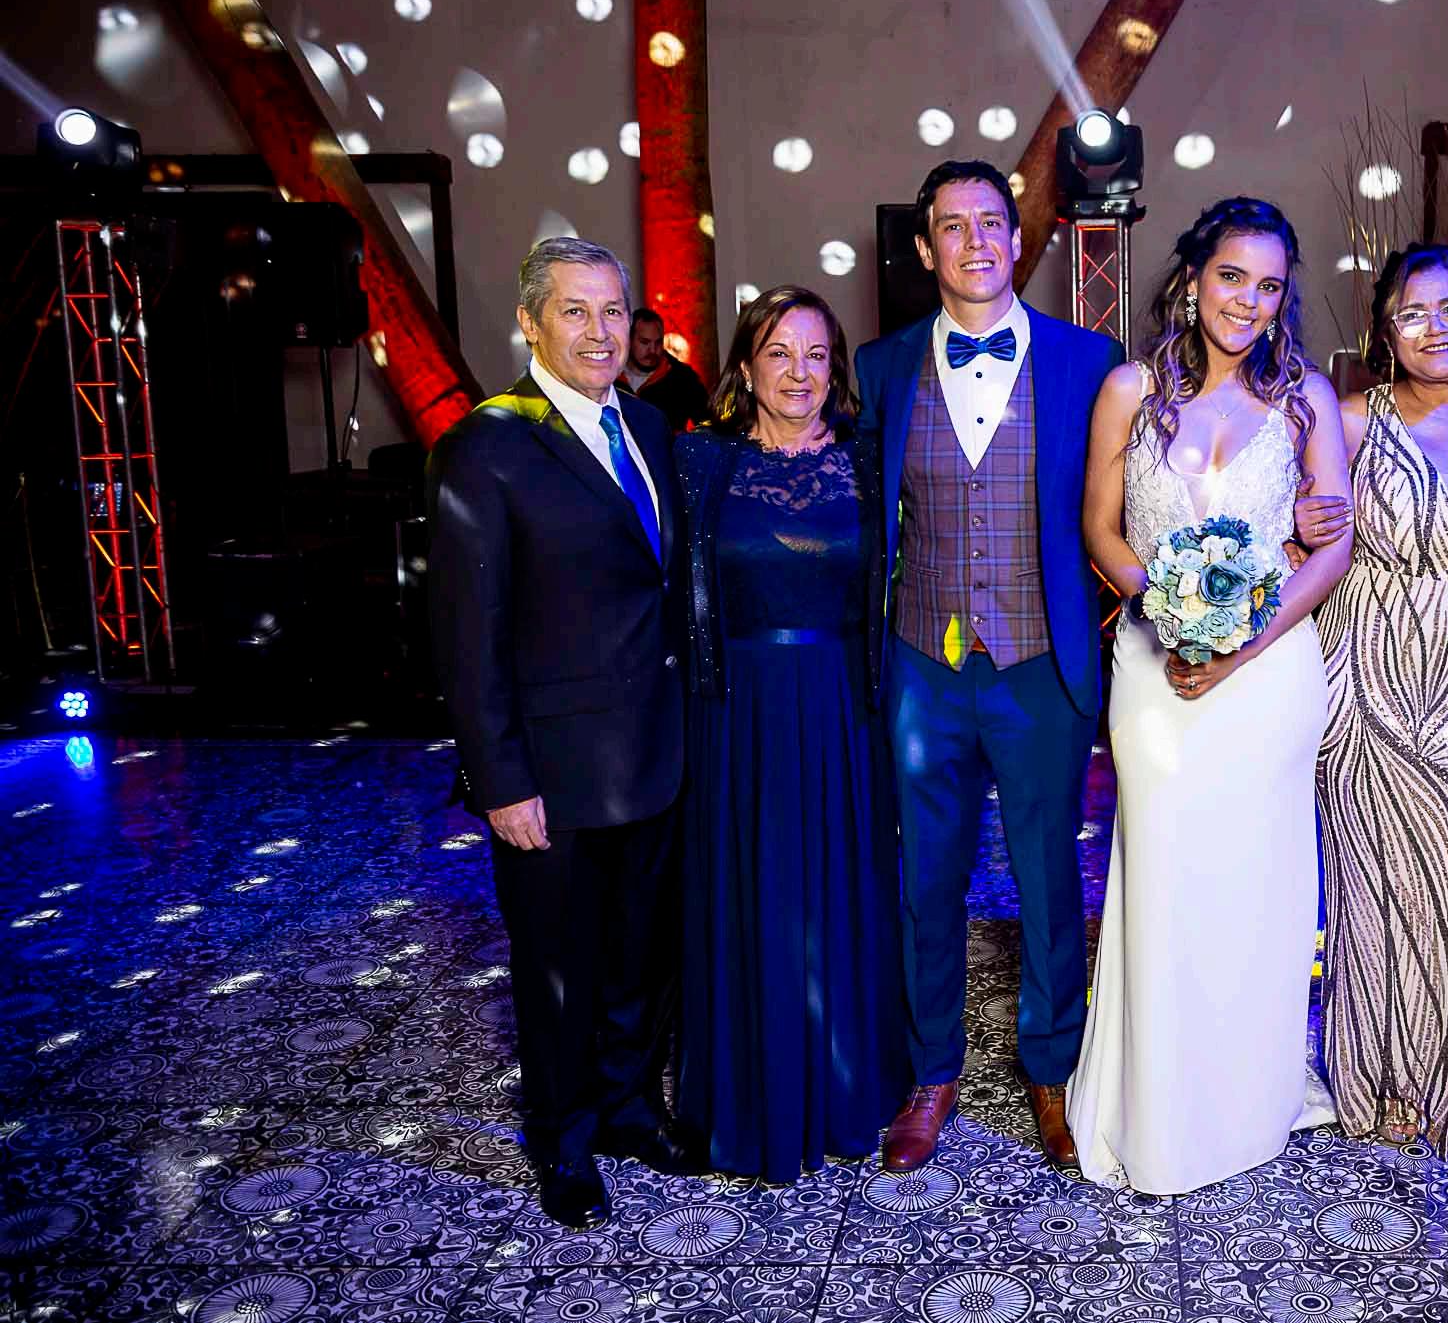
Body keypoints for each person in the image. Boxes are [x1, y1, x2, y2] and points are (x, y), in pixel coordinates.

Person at [1066, 196, 1350, 1195]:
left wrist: (1238, 643)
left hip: (1271, 675)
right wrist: (1167, 608)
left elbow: (1332, 546)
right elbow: (1100, 526)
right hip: (1156, 670)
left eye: (1268, 286)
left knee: (1259, 885)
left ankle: (1246, 1096)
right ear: (1192, 280)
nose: (1247, 301)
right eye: (1232, 276)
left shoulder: (1307, 398)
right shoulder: (1129, 390)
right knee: (1165, 876)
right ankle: (1158, 1106)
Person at [426, 236, 702, 1230]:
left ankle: (629, 1109)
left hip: (656, 752)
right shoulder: (487, 444)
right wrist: (499, 779)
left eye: (612, 310)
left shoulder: (652, 427)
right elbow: (467, 634)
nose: (599, 331)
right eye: (574, 311)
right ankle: (565, 1140)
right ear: (530, 322)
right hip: (551, 771)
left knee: (642, 957)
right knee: (556, 969)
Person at [854, 160, 1120, 1172]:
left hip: (1039, 661)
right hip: (922, 665)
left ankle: (1053, 1070)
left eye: (990, 222)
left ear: (1017, 239)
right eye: (952, 226)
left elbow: (1137, 495)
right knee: (926, 879)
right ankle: (930, 1073)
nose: (974, 240)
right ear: (926, 249)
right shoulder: (880, 367)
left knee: (1050, 880)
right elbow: (858, 512)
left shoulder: (1089, 360)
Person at [1293, 244, 1448, 1160]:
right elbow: (1284, 529)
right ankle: (1384, 1087)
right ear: (1384, 332)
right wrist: (1302, 526)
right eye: (1411, 313)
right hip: (1371, 688)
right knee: (1375, 903)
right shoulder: (1349, 420)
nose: (1433, 328)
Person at [672, 286, 910, 1181]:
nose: (799, 373)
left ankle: (844, 1090)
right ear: (744, 367)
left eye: (815, 355)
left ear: (835, 368)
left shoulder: (869, 460)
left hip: (843, 709)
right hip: (735, 712)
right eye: (778, 353)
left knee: (838, 894)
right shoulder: (698, 461)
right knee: (750, 894)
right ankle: (747, 1099)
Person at [620, 306, 711, 430]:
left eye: (658, 342)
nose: (652, 350)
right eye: (644, 342)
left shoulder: (683, 379)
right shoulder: (610, 377)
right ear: (628, 340)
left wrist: (683, 439)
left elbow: (708, 425)